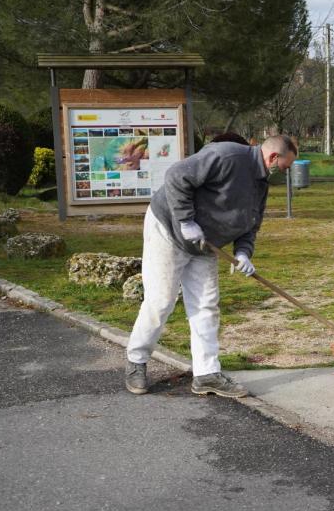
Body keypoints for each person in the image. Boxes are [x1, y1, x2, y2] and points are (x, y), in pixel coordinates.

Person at [124, 135, 297, 397]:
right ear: (273, 158)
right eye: (285, 166)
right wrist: (185, 220)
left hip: (205, 243)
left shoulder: (261, 185)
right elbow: (176, 176)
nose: (285, 172)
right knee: (161, 301)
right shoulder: (227, 156)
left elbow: (251, 223)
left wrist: (243, 253)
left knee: (206, 305)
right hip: (168, 229)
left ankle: (206, 374)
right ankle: (136, 361)